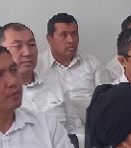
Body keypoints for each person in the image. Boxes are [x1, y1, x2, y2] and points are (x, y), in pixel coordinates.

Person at [0, 23, 69, 135]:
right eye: (17, 46)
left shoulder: (55, 81)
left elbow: (73, 125)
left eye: (31, 45)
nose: (27, 52)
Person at [41, 12, 102, 140]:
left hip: (92, 134)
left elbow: (106, 100)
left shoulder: (92, 63)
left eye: (74, 34)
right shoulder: (38, 68)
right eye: (64, 35)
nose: (71, 40)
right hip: (52, 137)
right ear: (49, 39)